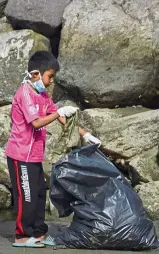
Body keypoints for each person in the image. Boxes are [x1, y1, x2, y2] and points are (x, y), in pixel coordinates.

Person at [5, 51, 101, 248]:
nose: (50, 82)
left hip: (34, 156)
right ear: (35, 74)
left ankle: (38, 232)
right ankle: (22, 235)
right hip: (20, 155)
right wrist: (58, 112)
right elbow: (37, 123)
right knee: (27, 196)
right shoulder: (25, 93)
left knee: (40, 193)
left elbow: (62, 119)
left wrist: (84, 134)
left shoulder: (41, 94)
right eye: (50, 76)